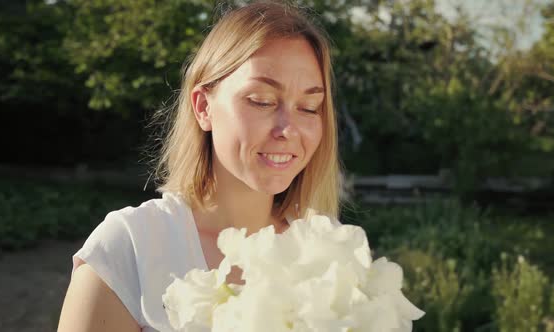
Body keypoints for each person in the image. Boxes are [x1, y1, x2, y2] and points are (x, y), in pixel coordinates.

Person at [57, 1, 342, 331]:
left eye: (309, 107)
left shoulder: (329, 251)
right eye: (261, 101)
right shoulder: (130, 248)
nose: (288, 129)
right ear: (203, 107)